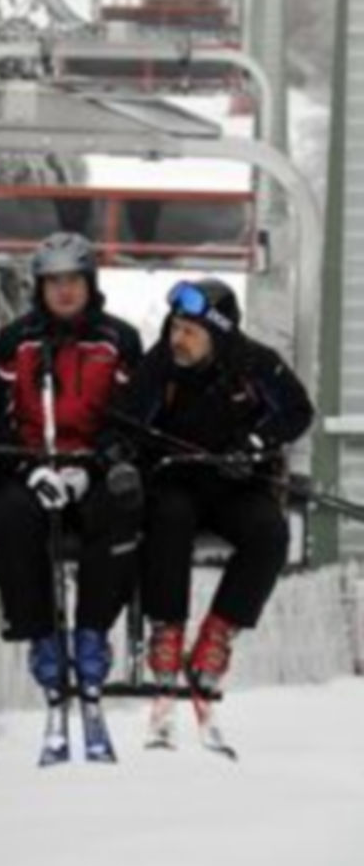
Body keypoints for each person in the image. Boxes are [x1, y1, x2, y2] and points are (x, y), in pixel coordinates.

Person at [108, 277, 314, 696]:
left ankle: (219, 633)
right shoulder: (160, 364)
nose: (177, 340)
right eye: (174, 328)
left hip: (233, 484)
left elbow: (298, 411)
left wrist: (255, 444)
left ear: (218, 335)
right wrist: (123, 456)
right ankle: (166, 630)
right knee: (169, 516)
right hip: (175, 480)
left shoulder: (256, 363)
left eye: (190, 332)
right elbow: (124, 422)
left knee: (270, 532)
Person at [0, 232, 143, 710]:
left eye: (73, 279)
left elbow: (132, 419)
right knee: (10, 518)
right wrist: (30, 468)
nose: (64, 291)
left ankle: (92, 634)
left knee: (117, 513)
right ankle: (42, 636)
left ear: (89, 282)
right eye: (52, 281)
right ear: (40, 287)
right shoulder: (17, 340)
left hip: (92, 468)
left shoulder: (118, 339)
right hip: (34, 468)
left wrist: (92, 466)